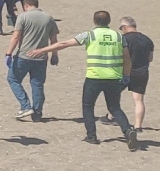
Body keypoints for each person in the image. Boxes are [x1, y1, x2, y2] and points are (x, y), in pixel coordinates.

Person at [34, 11, 139, 150]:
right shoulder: (118, 35)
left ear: (94, 21)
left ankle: (92, 136)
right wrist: (126, 75)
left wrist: (42, 50)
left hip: (94, 76)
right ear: (109, 21)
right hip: (113, 77)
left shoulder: (90, 34)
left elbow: (65, 43)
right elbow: (127, 58)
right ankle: (127, 131)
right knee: (114, 107)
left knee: (88, 106)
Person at [4, 0, 58, 121]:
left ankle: (25, 106)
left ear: (26, 5)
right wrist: (54, 55)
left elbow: (16, 37)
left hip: (24, 55)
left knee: (13, 79)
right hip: (41, 57)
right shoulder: (48, 18)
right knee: (37, 84)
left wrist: (8, 53)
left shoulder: (23, 17)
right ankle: (37, 112)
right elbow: (54, 39)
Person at [119, 16, 151, 132]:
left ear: (124, 27)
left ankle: (112, 116)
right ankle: (138, 126)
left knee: (114, 96)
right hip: (141, 72)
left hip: (124, 71)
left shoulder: (123, 39)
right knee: (139, 100)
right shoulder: (147, 39)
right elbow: (150, 58)